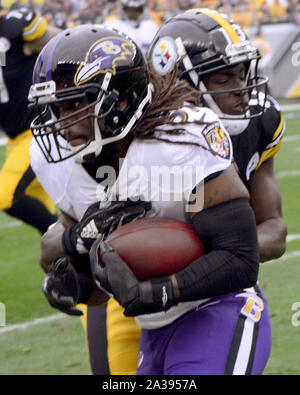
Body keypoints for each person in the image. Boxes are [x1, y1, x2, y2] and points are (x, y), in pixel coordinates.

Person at [29, 24, 271, 375]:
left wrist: (161, 290)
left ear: (121, 99)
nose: (64, 124)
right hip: (153, 331)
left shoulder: (179, 139)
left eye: (74, 104)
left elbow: (240, 258)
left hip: (219, 310)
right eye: (56, 108)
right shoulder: (65, 160)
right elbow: (96, 288)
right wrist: (75, 280)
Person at [148, 8, 287, 262]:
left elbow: (273, 227)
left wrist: (221, 257)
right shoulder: (146, 140)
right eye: (224, 79)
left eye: (242, 75)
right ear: (179, 86)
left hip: (225, 281)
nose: (242, 91)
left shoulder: (260, 121)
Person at [0, 4, 60, 234]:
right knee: (48, 226)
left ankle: (67, 239)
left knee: (5, 195)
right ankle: (66, 259)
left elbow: (57, 40)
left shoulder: (15, 26)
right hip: (16, 136)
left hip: (36, 130)